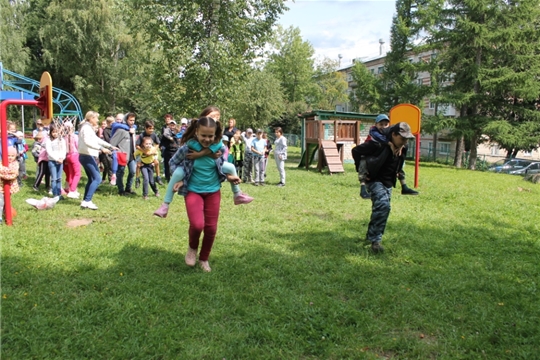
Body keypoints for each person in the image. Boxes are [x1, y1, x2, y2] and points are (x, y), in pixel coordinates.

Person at [167, 116, 245, 272]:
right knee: (197, 225)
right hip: (193, 191)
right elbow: (172, 163)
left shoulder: (220, 149)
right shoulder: (187, 149)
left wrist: (230, 177)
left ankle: (204, 259)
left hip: (213, 192)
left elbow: (222, 167)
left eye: (211, 136)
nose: (207, 139)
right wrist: (180, 177)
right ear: (196, 132)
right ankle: (192, 248)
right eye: (204, 135)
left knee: (211, 229)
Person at [154, 108, 253, 218]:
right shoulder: (192, 141)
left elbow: (220, 147)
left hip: (213, 180)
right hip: (190, 173)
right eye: (212, 117)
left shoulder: (217, 139)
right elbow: (191, 144)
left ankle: (237, 194)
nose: (214, 119)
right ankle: (165, 205)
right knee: (177, 173)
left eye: (217, 118)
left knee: (230, 167)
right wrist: (183, 178)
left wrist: (201, 154)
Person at [351, 122, 415, 253]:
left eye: (406, 139)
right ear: (394, 134)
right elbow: (356, 151)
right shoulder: (377, 144)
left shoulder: (403, 147)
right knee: (384, 206)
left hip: (388, 182)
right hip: (374, 179)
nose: (404, 142)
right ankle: (376, 242)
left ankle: (371, 235)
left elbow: (399, 163)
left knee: (380, 210)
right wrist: (362, 170)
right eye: (402, 138)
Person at [358, 114, 418, 198]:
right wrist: (389, 143)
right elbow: (378, 137)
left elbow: (400, 137)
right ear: (376, 124)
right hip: (369, 154)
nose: (383, 127)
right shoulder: (374, 130)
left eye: (385, 124)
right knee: (363, 167)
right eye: (381, 124)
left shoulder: (389, 132)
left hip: (380, 157)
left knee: (398, 165)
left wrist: (400, 146)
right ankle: (363, 189)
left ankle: (404, 186)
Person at [78, 111, 117, 210]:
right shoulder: (86, 128)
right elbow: (88, 142)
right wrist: (101, 149)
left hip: (86, 156)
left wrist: (109, 146)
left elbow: (96, 139)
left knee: (91, 179)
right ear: (91, 118)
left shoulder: (88, 127)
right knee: (97, 178)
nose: (98, 120)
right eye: (96, 118)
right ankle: (87, 201)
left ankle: (85, 201)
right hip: (87, 156)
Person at [109, 113, 137, 196]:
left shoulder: (133, 130)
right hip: (123, 154)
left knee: (132, 172)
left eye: (133, 120)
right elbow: (112, 143)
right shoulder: (121, 130)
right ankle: (121, 190)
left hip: (132, 155)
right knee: (120, 172)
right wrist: (117, 151)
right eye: (130, 120)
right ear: (126, 120)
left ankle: (128, 188)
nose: (132, 122)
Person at [135, 120, 162, 187]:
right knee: (138, 165)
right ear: (146, 128)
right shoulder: (142, 135)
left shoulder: (154, 135)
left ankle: (158, 177)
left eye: (152, 128)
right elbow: (137, 145)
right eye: (150, 128)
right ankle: (137, 179)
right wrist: (144, 152)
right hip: (141, 152)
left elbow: (158, 143)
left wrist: (154, 150)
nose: (151, 130)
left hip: (151, 151)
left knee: (157, 162)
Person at [44, 123, 67, 199]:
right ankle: (55, 194)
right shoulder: (48, 141)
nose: (55, 134)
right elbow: (49, 151)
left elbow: (64, 150)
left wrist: (62, 158)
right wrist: (57, 159)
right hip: (52, 161)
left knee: (59, 178)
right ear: (50, 132)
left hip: (60, 161)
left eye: (56, 132)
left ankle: (59, 193)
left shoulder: (62, 140)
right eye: (53, 132)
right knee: (54, 178)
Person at [0, 147, 20, 224]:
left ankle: (6, 214)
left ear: (15, 156)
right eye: (8, 156)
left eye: (12, 156)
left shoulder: (15, 164)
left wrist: (2, 173)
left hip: (10, 187)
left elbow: (13, 175)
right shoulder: (2, 162)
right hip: (1, 187)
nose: (10, 157)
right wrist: (7, 171)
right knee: (0, 201)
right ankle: (0, 217)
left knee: (6, 202)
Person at [62, 121, 81, 199]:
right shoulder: (75, 137)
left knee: (71, 174)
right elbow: (78, 146)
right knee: (77, 174)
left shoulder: (64, 137)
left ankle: (71, 189)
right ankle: (72, 190)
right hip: (75, 155)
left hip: (68, 156)